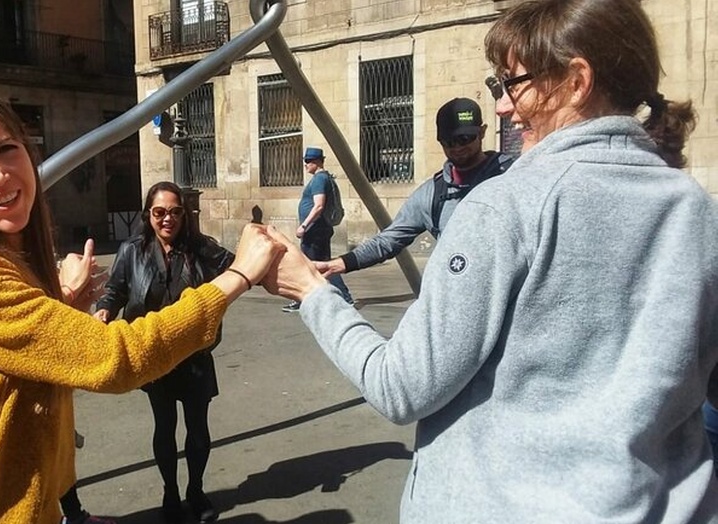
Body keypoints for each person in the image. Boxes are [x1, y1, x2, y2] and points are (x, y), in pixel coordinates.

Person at [261, 0, 718, 521]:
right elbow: (393, 237)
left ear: (576, 81)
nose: (501, 107)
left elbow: (400, 386)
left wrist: (312, 293)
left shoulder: (505, 203)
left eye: (512, 83)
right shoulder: (698, 212)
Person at [0, 89, 282, 523]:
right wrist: (238, 277)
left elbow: (10, 360)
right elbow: (116, 357)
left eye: (7, 149)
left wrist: (61, 305)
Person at [94, 182, 231, 523]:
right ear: (148, 215)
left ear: (184, 215)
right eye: (159, 212)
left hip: (194, 356)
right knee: (164, 426)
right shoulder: (133, 250)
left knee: (198, 429)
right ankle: (170, 493)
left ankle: (195, 491)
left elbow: (241, 268)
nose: (167, 219)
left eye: (175, 212)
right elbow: (116, 289)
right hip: (154, 355)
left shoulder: (201, 249)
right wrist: (104, 310)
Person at [315, 98, 514, 280]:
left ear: (482, 132)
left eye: (465, 139)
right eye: (449, 142)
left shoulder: (513, 175)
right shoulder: (432, 194)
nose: (457, 148)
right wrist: (341, 263)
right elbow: (389, 239)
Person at [281, 147, 352, 312]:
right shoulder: (323, 178)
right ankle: (344, 297)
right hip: (319, 229)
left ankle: (302, 300)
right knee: (323, 264)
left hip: (314, 230)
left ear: (317, 162)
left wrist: (304, 226)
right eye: (305, 161)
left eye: (308, 161)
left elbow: (319, 206)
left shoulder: (320, 179)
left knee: (307, 265)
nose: (305, 165)